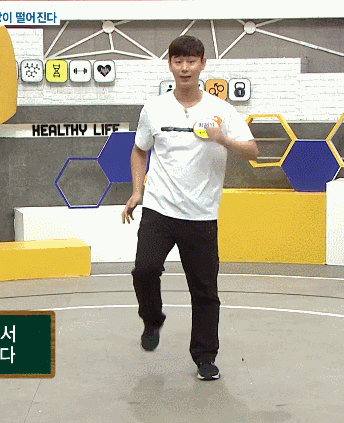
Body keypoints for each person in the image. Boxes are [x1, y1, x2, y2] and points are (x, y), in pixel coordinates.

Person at [121, 35, 258, 381]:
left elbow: (252, 151)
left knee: (204, 290)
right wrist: (137, 191)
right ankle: (152, 319)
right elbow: (139, 150)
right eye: (178, 61)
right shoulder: (154, 109)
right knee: (144, 270)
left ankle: (205, 357)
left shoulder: (221, 110)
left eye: (191, 61)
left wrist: (222, 138)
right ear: (170, 64)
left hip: (201, 214)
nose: (185, 68)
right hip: (159, 209)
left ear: (202, 64)